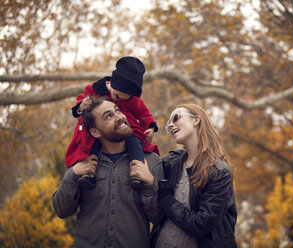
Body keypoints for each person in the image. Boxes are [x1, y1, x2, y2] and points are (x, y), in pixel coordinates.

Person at [53, 97, 164, 248]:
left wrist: (150, 183)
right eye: (109, 116)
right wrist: (73, 174)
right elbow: (62, 210)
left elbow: (159, 218)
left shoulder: (151, 161)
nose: (120, 117)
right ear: (95, 132)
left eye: (117, 110)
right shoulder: (81, 163)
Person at [150, 103, 238, 248]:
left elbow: (201, 225)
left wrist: (166, 199)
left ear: (196, 120)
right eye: (168, 123)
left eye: (176, 117)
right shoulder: (170, 162)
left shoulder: (219, 172)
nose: (171, 125)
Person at [65, 56, 159, 188]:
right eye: (118, 96)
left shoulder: (133, 99)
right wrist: (81, 106)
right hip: (97, 127)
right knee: (89, 145)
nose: (120, 100)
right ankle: (88, 174)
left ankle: (137, 171)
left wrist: (151, 127)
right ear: (113, 83)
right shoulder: (94, 90)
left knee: (135, 141)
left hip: (126, 126)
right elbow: (80, 101)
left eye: (125, 98)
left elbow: (144, 112)